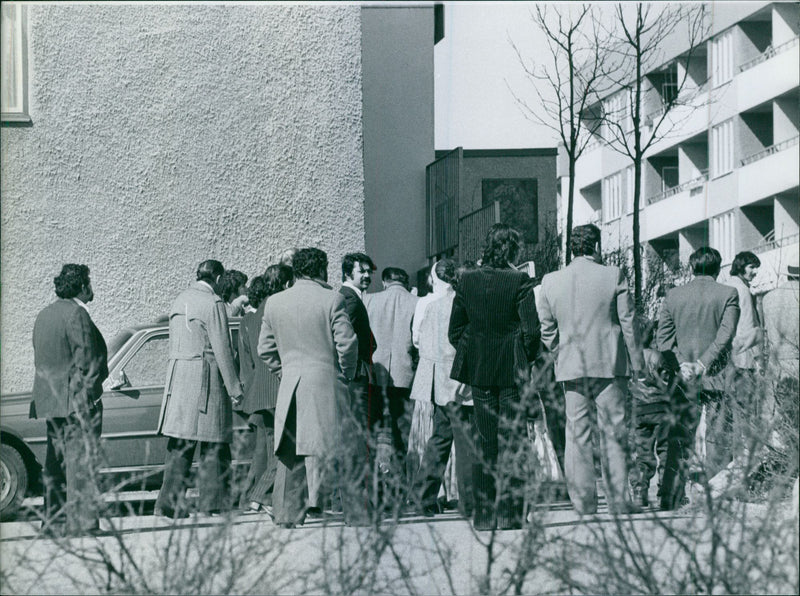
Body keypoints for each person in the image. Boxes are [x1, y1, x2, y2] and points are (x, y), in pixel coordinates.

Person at [538, 224, 644, 515]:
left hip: (571, 365)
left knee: (577, 434)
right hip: (610, 363)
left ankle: (584, 503)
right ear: (596, 246)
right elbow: (629, 322)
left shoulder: (550, 281)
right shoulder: (613, 275)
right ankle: (618, 501)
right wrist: (639, 363)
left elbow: (546, 329)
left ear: (572, 248)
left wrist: (560, 352)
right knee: (613, 431)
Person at [257, 248, 359, 527]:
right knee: (346, 449)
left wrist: (284, 371)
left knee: (292, 453)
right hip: (328, 382)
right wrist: (346, 374)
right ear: (322, 269)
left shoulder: (275, 303)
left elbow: (264, 349)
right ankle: (358, 513)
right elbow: (347, 344)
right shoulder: (332, 299)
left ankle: (288, 514)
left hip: (291, 384)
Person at [449, 223, 541, 530]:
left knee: (485, 440)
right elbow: (531, 331)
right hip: (511, 370)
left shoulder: (466, 279)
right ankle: (510, 514)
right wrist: (524, 356)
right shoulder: (519, 280)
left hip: (479, 369)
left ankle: (485, 515)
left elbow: (455, 330)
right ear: (512, 249)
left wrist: (474, 348)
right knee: (512, 441)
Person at [155, 260, 244, 519]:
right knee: (214, 443)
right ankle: (212, 505)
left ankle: (166, 504)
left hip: (178, 379)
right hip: (205, 377)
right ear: (216, 277)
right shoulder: (213, 303)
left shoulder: (180, 299)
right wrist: (235, 388)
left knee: (180, 444)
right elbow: (222, 348)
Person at [656, 246, 740, 505]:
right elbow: (725, 335)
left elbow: (663, 340)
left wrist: (683, 364)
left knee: (679, 437)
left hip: (684, 378)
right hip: (717, 374)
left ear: (692, 267)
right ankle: (715, 497)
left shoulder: (673, 296)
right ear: (718, 268)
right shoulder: (728, 293)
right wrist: (703, 363)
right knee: (718, 437)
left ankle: (670, 496)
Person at [31, 264, 108, 536]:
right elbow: (88, 362)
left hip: (51, 402)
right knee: (81, 462)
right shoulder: (77, 314)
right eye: (89, 281)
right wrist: (92, 397)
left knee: (55, 463)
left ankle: (53, 522)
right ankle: (83, 523)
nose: (91, 287)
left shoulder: (44, 315)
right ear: (81, 286)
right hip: (76, 402)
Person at [410, 258, 475, 518]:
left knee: (439, 439)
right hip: (458, 380)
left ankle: (421, 495)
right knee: (466, 442)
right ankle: (469, 501)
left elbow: (421, 342)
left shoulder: (432, 306)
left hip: (437, 380)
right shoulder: (465, 306)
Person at [238, 266, 293, 516]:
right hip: (276, 387)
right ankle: (260, 496)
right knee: (284, 446)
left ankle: (262, 497)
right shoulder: (279, 306)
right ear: (285, 283)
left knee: (274, 446)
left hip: (261, 390)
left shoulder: (256, 313)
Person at [365, 267, 419, 483]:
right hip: (404, 372)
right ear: (405, 282)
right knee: (402, 429)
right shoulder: (416, 301)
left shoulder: (369, 300)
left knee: (375, 426)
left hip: (376, 371)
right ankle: (401, 480)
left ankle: (377, 479)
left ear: (385, 282)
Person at [339, 252, 378, 515]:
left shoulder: (348, 297)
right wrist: (350, 371)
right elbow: (344, 341)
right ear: (347, 273)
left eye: (368, 271)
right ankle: (358, 507)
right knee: (358, 440)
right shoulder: (350, 300)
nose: (366, 276)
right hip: (356, 376)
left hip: (354, 375)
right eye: (361, 271)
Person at [630, 320, 683, 508]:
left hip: (639, 410)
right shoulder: (657, 356)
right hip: (660, 408)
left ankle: (639, 491)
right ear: (652, 335)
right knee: (665, 451)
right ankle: (665, 494)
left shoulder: (630, 357)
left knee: (642, 454)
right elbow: (667, 381)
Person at [761, 251, 799, 485]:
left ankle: (781, 471)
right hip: (796, 360)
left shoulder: (769, 298)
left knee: (778, 419)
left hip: (776, 363)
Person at [725, 251, 763, 432]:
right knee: (744, 410)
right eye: (751, 267)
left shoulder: (725, 285)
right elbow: (749, 327)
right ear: (741, 266)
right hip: (743, 356)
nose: (755, 271)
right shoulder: (743, 291)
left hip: (726, 357)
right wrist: (757, 358)